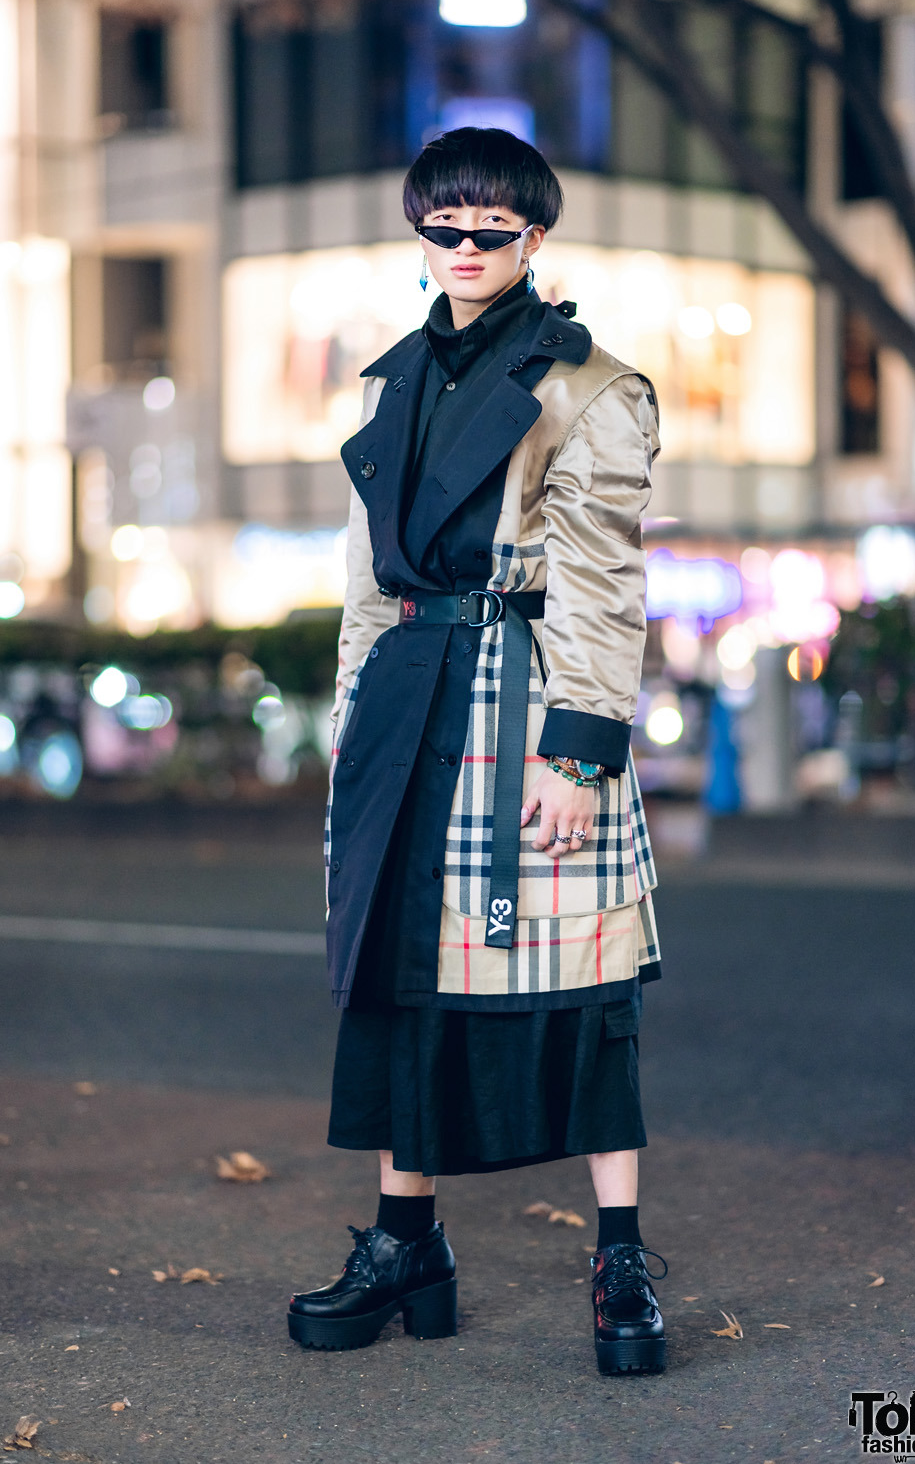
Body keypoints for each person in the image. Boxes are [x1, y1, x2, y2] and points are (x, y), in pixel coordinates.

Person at [287, 126, 666, 1376]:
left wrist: (580, 756)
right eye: (440, 226)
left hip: (526, 693)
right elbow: (363, 579)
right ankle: (407, 1245)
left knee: (584, 983)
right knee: (398, 975)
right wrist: (351, 720)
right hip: (404, 697)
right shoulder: (388, 380)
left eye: (489, 231)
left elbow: (603, 586)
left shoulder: (592, 387)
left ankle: (618, 1257)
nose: (462, 248)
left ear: (534, 238)